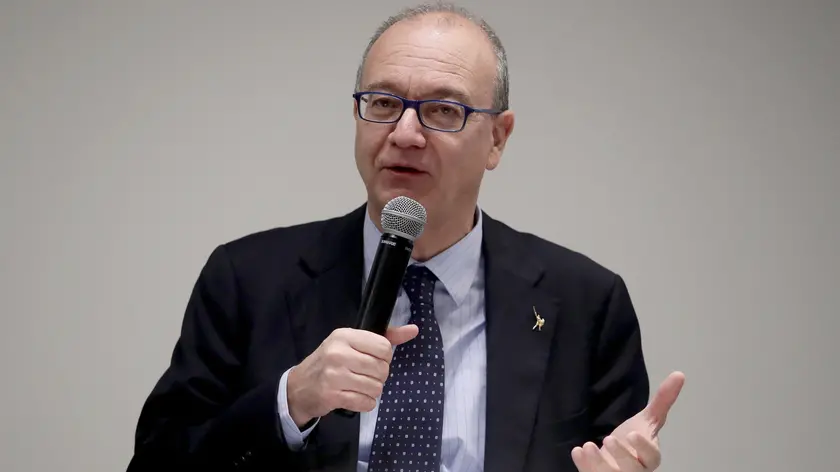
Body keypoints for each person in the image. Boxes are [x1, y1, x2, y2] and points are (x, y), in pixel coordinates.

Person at [127, 2, 685, 472]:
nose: (406, 133)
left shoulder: (586, 303)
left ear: (497, 138)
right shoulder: (247, 280)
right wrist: (290, 401)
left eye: (443, 110)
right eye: (384, 103)